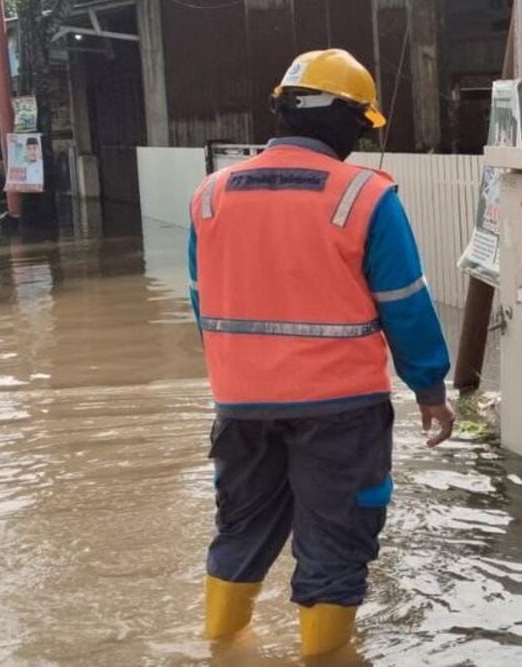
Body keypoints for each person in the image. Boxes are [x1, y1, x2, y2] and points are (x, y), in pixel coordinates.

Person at [188, 49, 455, 660]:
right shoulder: (365, 196)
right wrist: (430, 389)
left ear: (283, 112)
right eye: (361, 128)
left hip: (240, 407)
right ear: (346, 122)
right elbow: (405, 305)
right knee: (336, 543)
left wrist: (247, 375)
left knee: (240, 530)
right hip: (341, 412)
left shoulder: (210, 196)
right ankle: (327, 658)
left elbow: (203, 307)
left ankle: (223, 648)